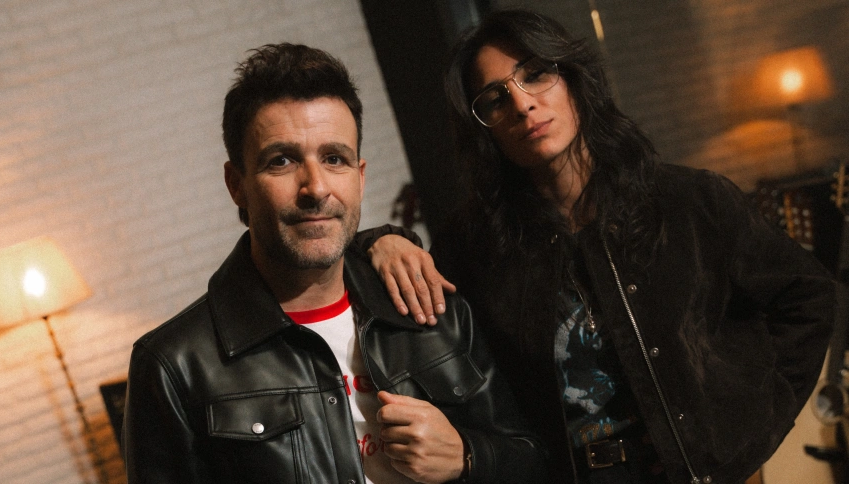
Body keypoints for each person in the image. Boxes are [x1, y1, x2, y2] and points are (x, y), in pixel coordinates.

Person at [358, 9, 836, 484]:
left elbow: (809, 296)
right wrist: (379, 241)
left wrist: (747, 434)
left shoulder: (689, 201)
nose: (522, 104)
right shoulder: (476, 249)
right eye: (495, 99)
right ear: (485, 129)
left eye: (536, 74)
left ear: (573, 80)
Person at [122, 42, 547, 484]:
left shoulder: (431, 307)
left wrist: (467, 456)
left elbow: (533, 459)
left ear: (359, 177)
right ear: (237, 185)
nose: (316, 187)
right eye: (281, 161)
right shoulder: (175, 366)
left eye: (334, 159)